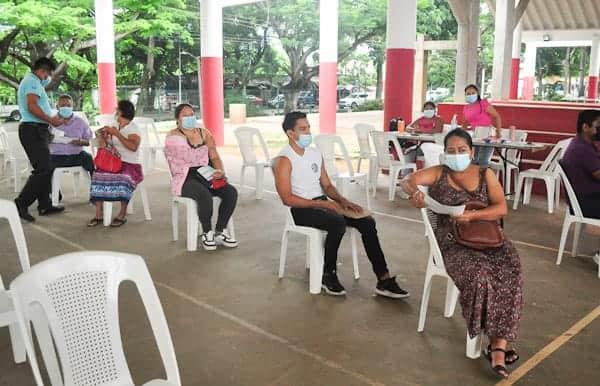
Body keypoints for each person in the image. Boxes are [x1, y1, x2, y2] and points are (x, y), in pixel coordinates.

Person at [401, 129, 523, 379]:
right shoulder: (438, 172)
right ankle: (491, 343)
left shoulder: (484, 173)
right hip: (452, 240)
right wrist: (412, 191)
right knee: (480, 276)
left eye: (461, 150)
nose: (456, 155)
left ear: (472, 151)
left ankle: (498, 345)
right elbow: (408, 179)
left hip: (488, 236)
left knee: (511, 270)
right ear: (445, 153)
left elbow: (501, 208)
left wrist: (472, 215)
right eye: (451, 151)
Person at [273, 111, 409, 298]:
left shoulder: (314, 153)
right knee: (336, 222)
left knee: (367, 222)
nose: (308, 132)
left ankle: (383, 279)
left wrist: (343, 201)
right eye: (302, 129)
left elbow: (327, 185)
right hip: (300, 209)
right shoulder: (284, 160)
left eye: (309, 127)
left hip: (321, 204)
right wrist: (324, 206)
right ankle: (328, 274)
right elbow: (287, 198)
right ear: (290, 133)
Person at [164, 103, 238, 250]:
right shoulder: (173, 137)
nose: (190, 118)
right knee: (204, 195)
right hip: (185, 176)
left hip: (205, 173)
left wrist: (219, 171)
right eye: (185, 115)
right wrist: (205, 146)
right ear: (177, 119)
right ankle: (207, 232)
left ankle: (220, 231)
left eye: (192, 114)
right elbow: (188, 157)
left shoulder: (204, 133)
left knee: (230, 192)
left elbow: (214, 156)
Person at [14, 57, 66, 222]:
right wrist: (51, 120)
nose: (48, 78)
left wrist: (50, 121)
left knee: (46, 167)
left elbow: (40, 103)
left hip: (37, 129)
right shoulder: (31, 82)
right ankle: (21, 203)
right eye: (47, 74)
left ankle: (45, 204)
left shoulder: (34, 81)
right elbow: (32, 105)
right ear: (42, 71)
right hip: (32, 129)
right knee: (44, 168)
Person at [87, 100, 143, 227]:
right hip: (113, 161)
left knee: (123, 179)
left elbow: (133, 147)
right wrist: (102, 136)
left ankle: (122, 214)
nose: (115, 113)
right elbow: (105, 146)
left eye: (117, 110)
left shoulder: (133, 128)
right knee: (97, 175)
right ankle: (98, 213)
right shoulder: (114, 124)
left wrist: (117, 134)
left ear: (122, 112)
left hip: (130, 164)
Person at [49, 94, 94, 201]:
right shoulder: (51, 121)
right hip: (56, 156)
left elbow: (88, 141)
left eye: (68, 105)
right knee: (44, 166)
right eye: (62, 105)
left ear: (72, 106)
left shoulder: (80, 122)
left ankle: (95, 193)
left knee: (90, 160)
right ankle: (55, 194)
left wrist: (79, 141)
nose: (65, 107)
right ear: (57, 107)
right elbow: (43, 139)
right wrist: (51, 137)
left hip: (76, 155)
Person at [560, 109, 600, 219]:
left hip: (586, 199)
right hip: (587, 203)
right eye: (598, 127)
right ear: (585, 127)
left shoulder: (581, 143)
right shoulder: (582, 149)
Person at [461, 84, 502, 167]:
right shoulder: (466, 108)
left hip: (487, 136)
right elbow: (464, 123)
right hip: (475, 138)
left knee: (483, 161)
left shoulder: (483, 103)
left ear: (477, 93)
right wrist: (462, 135)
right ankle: (476, 179)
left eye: (473, 93)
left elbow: (497, 116)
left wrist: (498, 131)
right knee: (473, 161)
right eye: (468, 94)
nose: (470, 95)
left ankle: (483, 179)